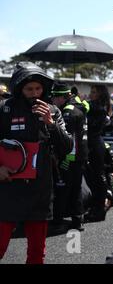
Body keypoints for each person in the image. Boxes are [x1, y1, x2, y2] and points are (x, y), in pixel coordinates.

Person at [0, 62, 72, 264]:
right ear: (19, 88)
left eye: (38, 88)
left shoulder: (52, 111)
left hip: (40, 187)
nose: (34, 93)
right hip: (8, 186)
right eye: (29, 89)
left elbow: (67, 146)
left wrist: (50, 123)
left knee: (36, 252)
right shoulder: (5, 109)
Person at [50, 81, 88, 231]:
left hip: (70, 159)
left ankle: (58, 221)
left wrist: (66, 159)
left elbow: (70, 139)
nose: (52, 101)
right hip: (80, 157)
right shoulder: (79, 107)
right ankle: (77, 220)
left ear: (61, 97)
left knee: (63, 189)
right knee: (76, 189)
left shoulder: (67, 112)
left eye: (54, 97)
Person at [84, 84, 111, 222]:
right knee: (91, 178)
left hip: (95, 144)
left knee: (97, 177)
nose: (90, 94)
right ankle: (95, 206)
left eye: (93, 92)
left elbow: (92, 128)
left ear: (100, 94)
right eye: (91, 91)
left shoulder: (98, 108)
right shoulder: (91, 106)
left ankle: (99, 209)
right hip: (91, 143)